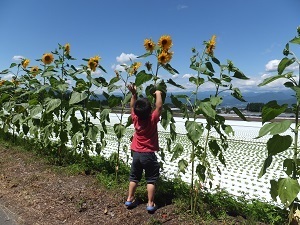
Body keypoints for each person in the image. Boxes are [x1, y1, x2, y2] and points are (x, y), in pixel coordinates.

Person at [125, 84, 162, 213]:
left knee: (134, 177)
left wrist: (134, 94)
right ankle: (150, 203)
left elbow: (131, 106)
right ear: (150, 110)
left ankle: (129, 199)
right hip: (148, 154)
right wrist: (158, 93)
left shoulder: (135, 119)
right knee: (151, 179)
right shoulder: (152, 119)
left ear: (136, 112)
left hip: (136, 154)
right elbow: (159, 106)